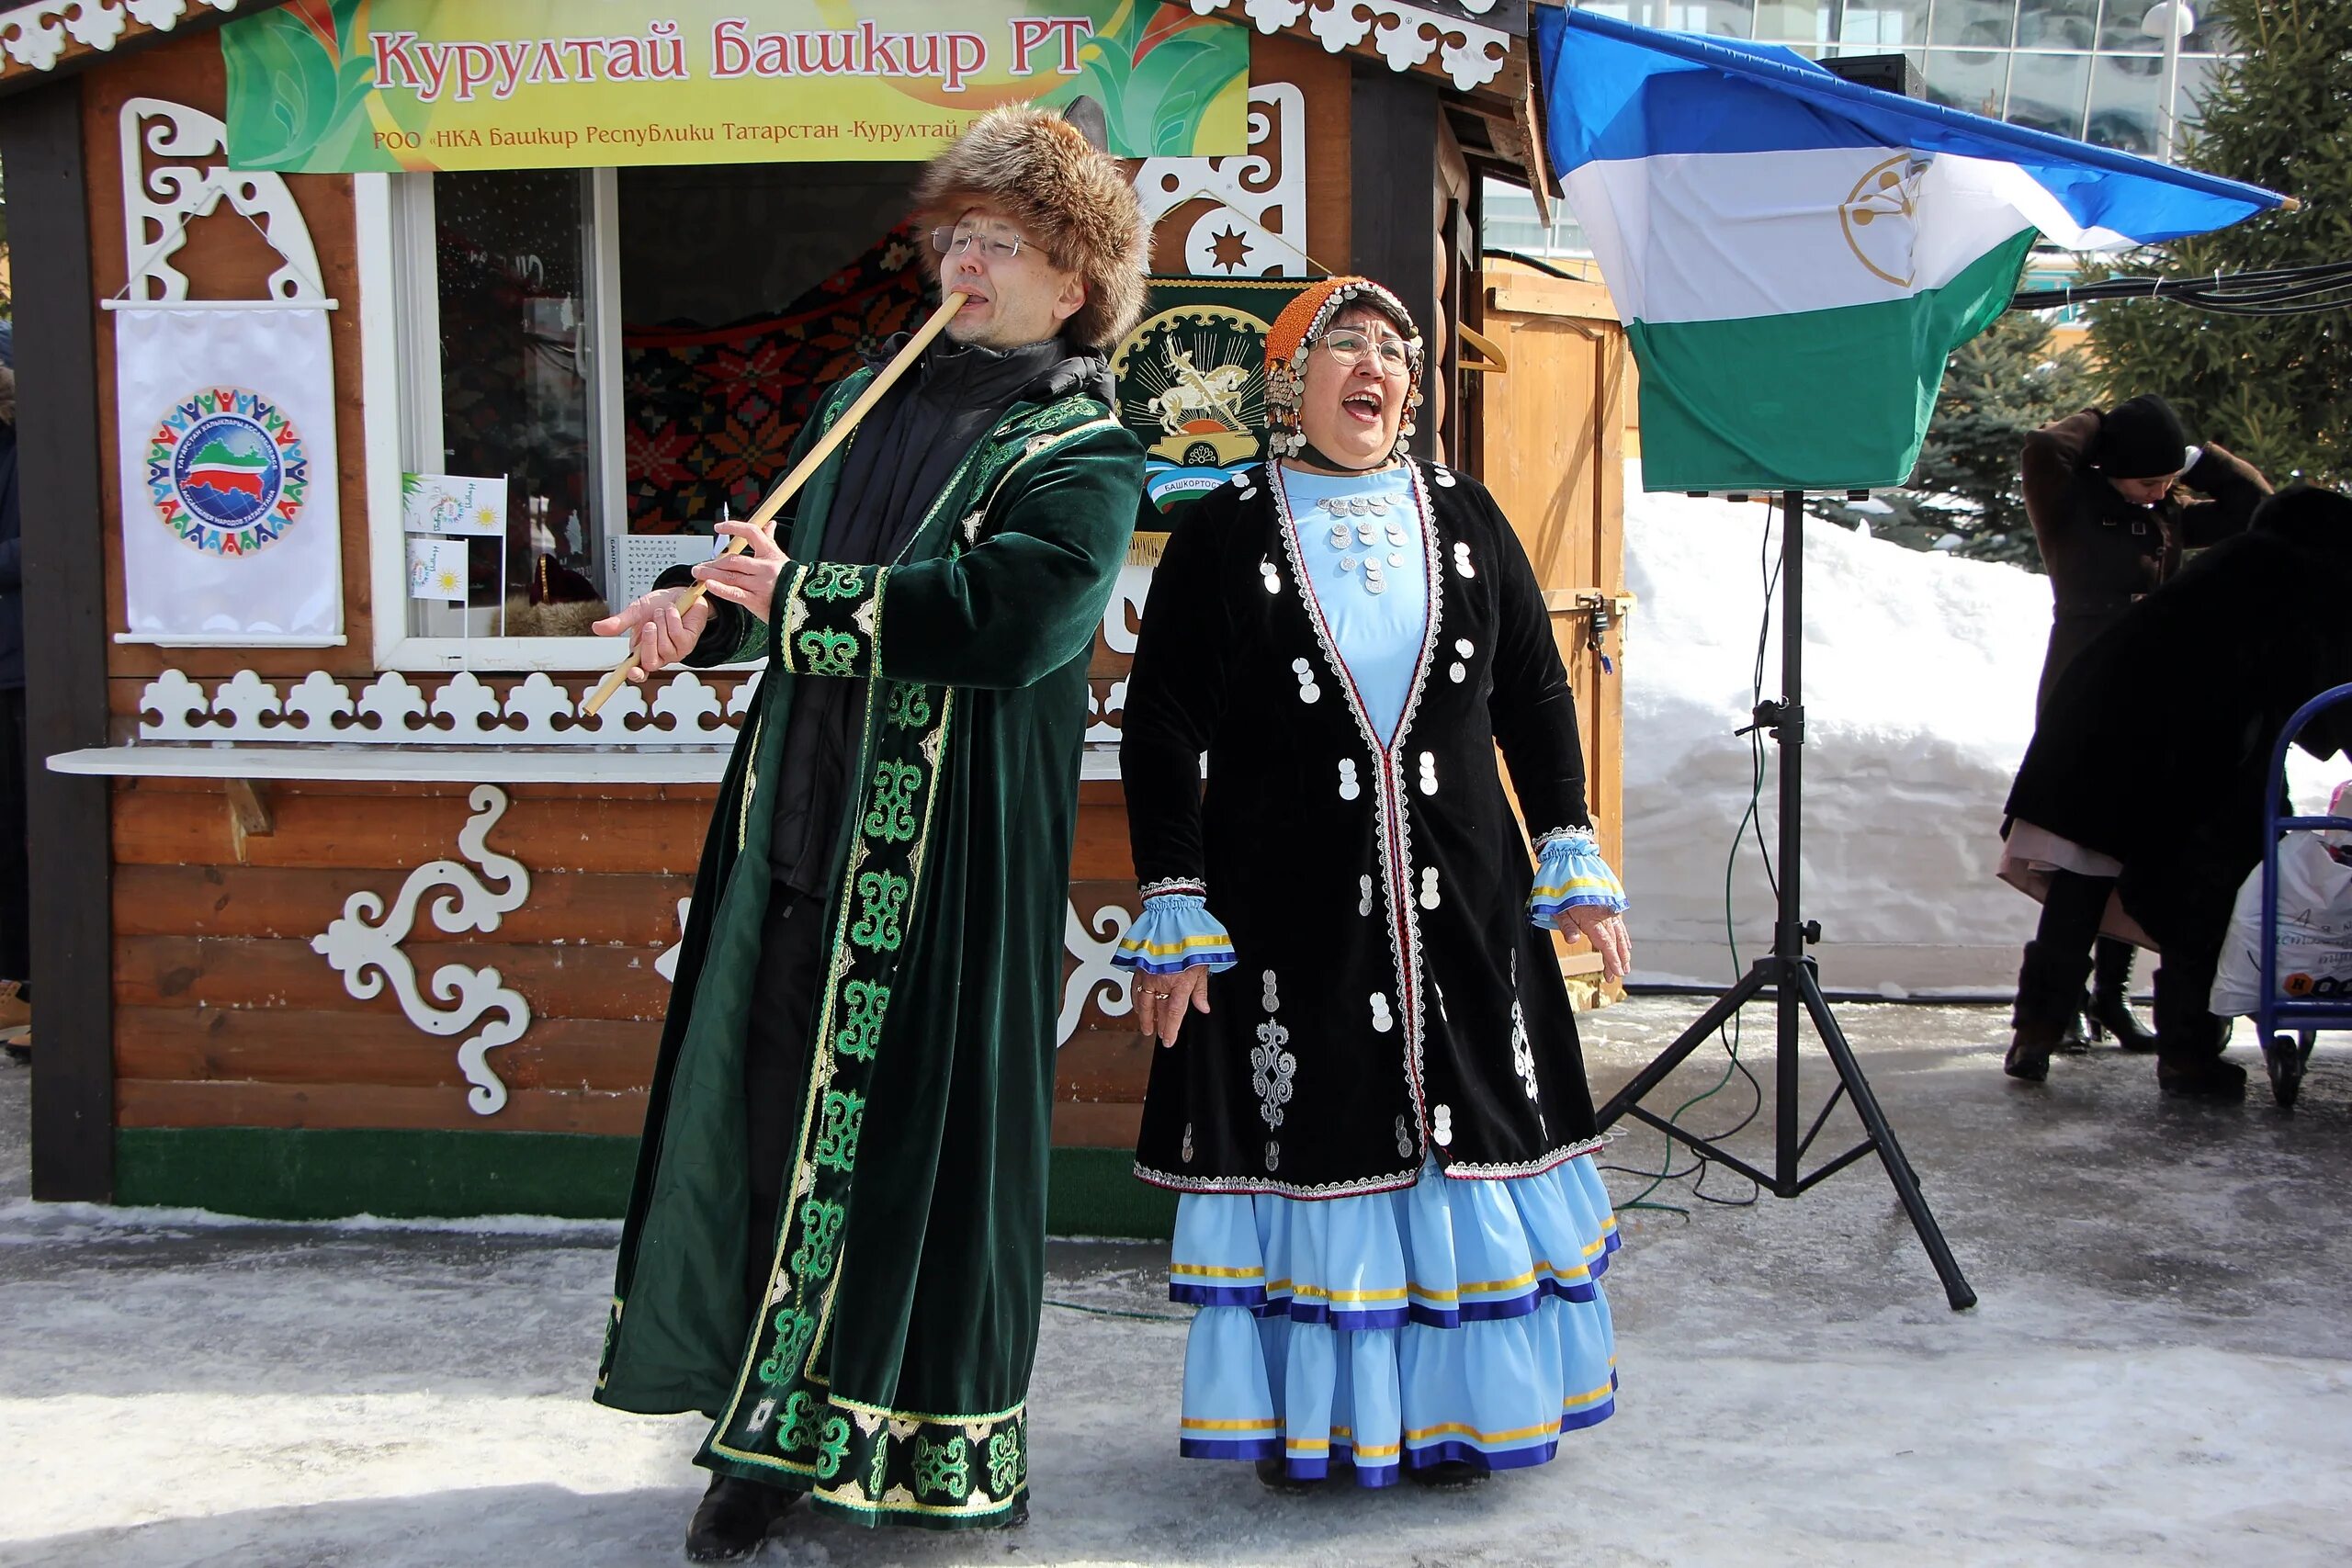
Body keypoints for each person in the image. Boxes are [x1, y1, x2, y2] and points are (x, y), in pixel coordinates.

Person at [588, 107, 1148, 1559]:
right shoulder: (862, 394)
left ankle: (908, 1444)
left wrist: (803, 606)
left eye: (1002, 243)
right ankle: (761, 1435)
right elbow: (769, 564)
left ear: (1076, 279)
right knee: (779, 1128)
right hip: (802, 839)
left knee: (912, 1153)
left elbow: (1010, 622)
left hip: (945, 865)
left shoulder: (1080, 447)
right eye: (955, 235)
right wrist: (691, 611)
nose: (965, 263)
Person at [1114, 277, 1633, 1492]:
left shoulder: (1463, 510)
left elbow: (1535, 692)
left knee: (1473, 1134)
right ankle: (1328, 1423)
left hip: (1466, 894)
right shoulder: (1227, 526)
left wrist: (1570, 845)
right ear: (1290, 383)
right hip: (1291, 905)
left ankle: (1458, 1417)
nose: (1376, 364)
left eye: (1394, 349)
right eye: (1343, 345)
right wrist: (1176, 898)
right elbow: (1161, 720)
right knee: (1325, 1139)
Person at [2002, 484, 2352, 1099]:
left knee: (2082, 879)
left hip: (2092, 725)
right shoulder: (2312, 579)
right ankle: (2188, 1056)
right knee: (2207, 888)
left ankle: (2036, 1030)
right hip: (2185, 750)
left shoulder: (2232, 561)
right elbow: (2333, 697)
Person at [2009, 395, 2269, 1069]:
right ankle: (2042, 1023)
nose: (2160, 490)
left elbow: (2255, 510)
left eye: (2167, 479)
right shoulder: (2069, 503)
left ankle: (2110, 999)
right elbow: (2046, 447)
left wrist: (2195, 456)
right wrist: (2106, 419)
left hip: (2156, 702)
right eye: (2146, 477)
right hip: (2085, 696)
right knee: (2078, 868)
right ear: (2113, 466)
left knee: (2135, 859)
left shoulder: (2169, 516)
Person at [0, 324, 28, 1055]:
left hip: (28, 663)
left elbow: (48, 543)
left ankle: (29, 984)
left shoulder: (35, 444)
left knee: (30, 828)